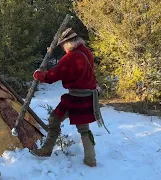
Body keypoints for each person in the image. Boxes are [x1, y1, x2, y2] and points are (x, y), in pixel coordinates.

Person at [30, 28, 100, 167]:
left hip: (76, 97)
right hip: (86, 96)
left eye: (63, 45)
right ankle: (90, 159)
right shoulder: (86, 51)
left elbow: (51, 76)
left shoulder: (71, 57)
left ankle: (47, 150)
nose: (62, 48)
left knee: (54, 119)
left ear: (68, 43)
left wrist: (38, 74)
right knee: (83, 129)